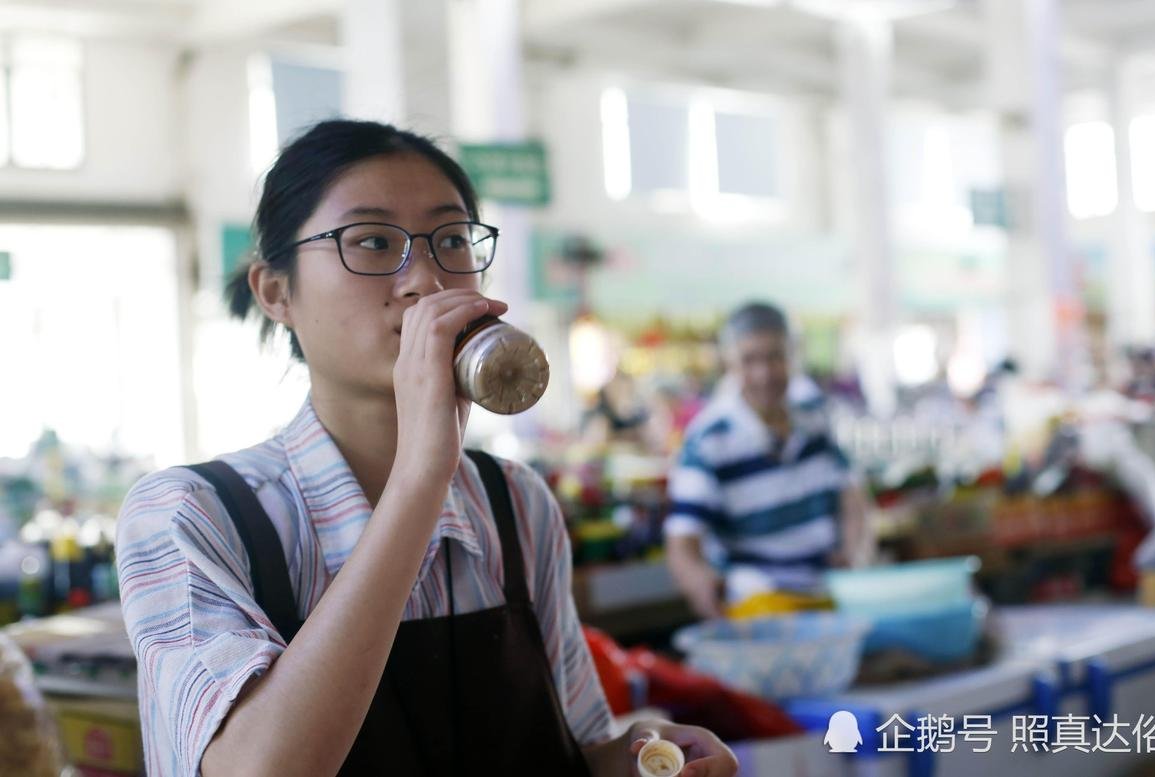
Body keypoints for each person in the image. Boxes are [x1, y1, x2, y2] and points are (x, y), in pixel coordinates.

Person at [116, 120, 737, 777]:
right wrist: (419, 477)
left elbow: (571, 752)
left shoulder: (515, 501)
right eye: (373, 241)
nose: (425, 281)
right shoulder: (189, 515)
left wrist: (640, 759)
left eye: (450, 240)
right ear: (276, 291)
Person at [664, 302, 872, 619]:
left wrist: (855, 551)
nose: (765, 374)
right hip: (759, 605)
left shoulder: (815, 414)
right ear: (729, 363)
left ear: (793, 356)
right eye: (750, 360)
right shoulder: (708, 440)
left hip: (829, 594)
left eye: (776, 357)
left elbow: (852, 495)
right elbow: (682, 539)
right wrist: (700, 584)